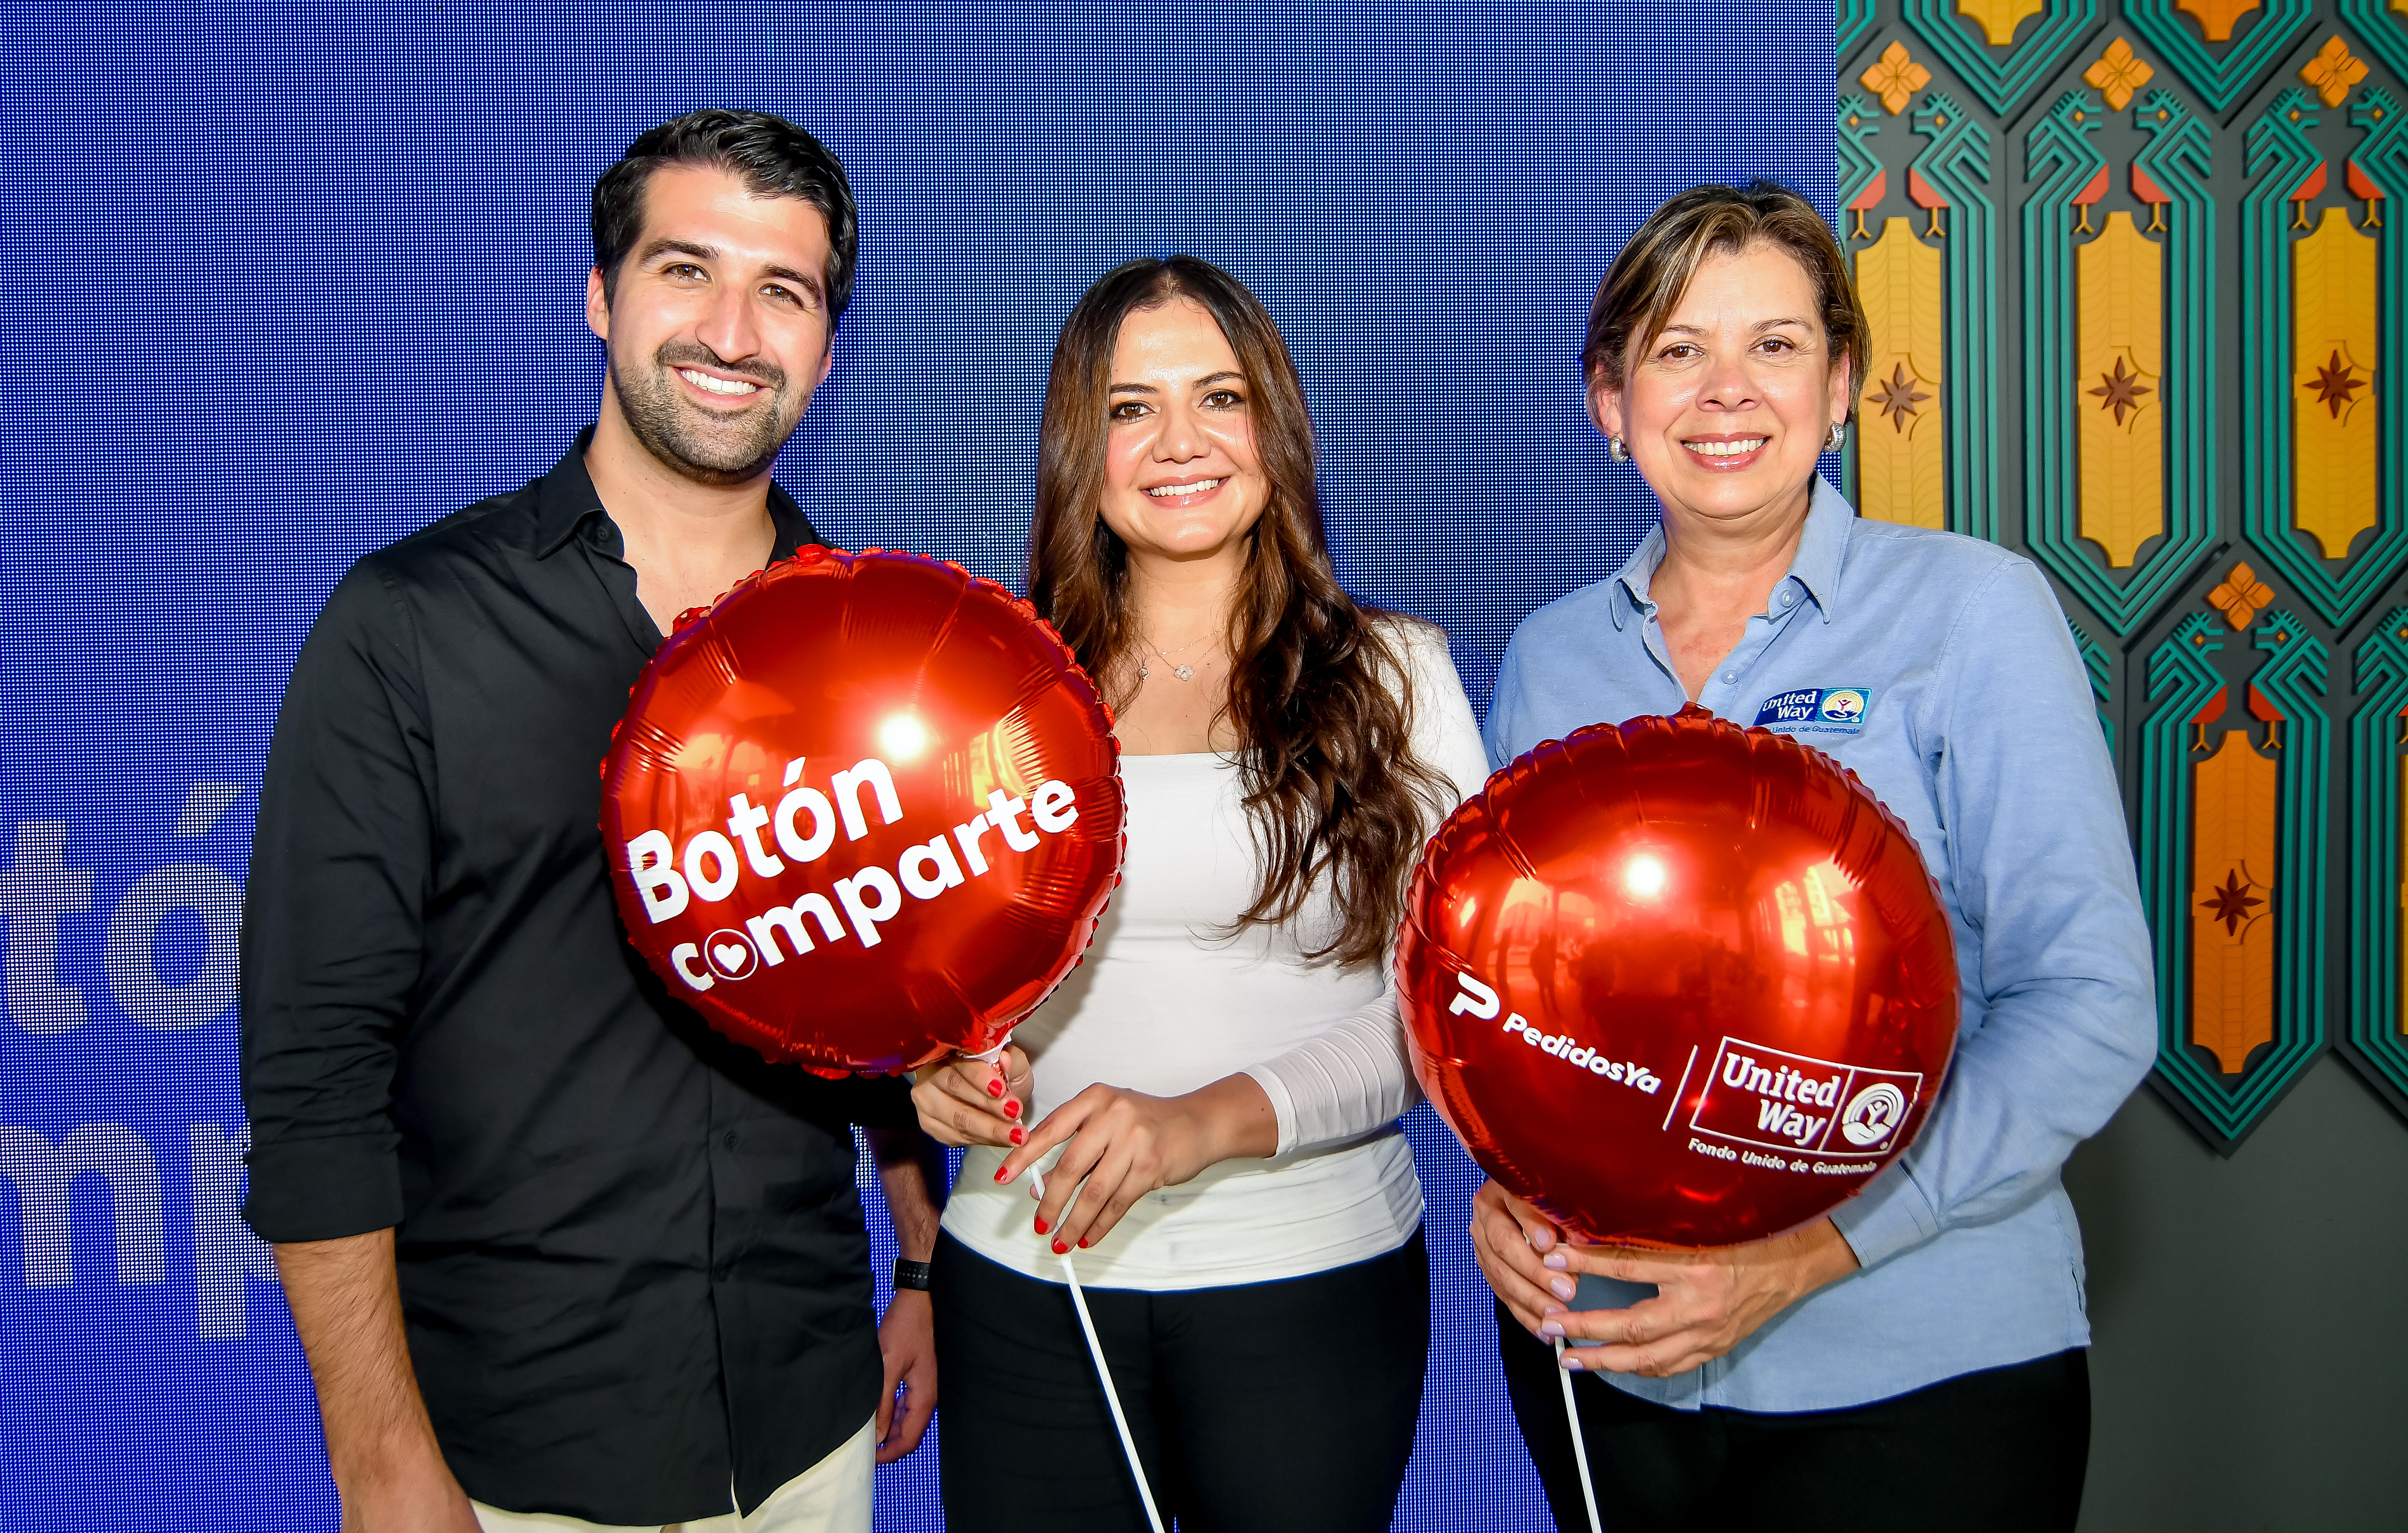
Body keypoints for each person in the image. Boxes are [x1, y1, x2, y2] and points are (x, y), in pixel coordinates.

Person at [239, 110, 944, 1533]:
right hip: (509, 1458)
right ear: (601, 295)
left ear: (826, 341)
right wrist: (383, 1467)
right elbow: (314, 1080)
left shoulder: (876, 646)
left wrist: (924, 1266)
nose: (732, 330)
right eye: (686, 269)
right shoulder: (410, 625)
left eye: (785, 292)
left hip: (807, 1430)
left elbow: (891, 993)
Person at [1471, 182, 2155, 1532]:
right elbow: (1518, 1003)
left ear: (1842, 387)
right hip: (1612, 1374)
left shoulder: (1974, 610)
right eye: (1678, 350)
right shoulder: (1553, 658)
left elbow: (2091, 1005)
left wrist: (1809, 1252)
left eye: (1775, 346)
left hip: (1920, 1375)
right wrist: (1509, 1185)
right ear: (1610, 402)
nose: (1728, 390)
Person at [907, 256, 1491, 1533]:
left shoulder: (1399, 677)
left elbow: (1452, 1017)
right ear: (1084, 448)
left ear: (1272, 426)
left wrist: (1204, 1122)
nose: (1178, 441)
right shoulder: (988, 689)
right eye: (1130, 407)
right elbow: (926, 970)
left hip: (1308, 1288)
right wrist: (930, 1067)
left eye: (1217, 397)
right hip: (1021, 1281)